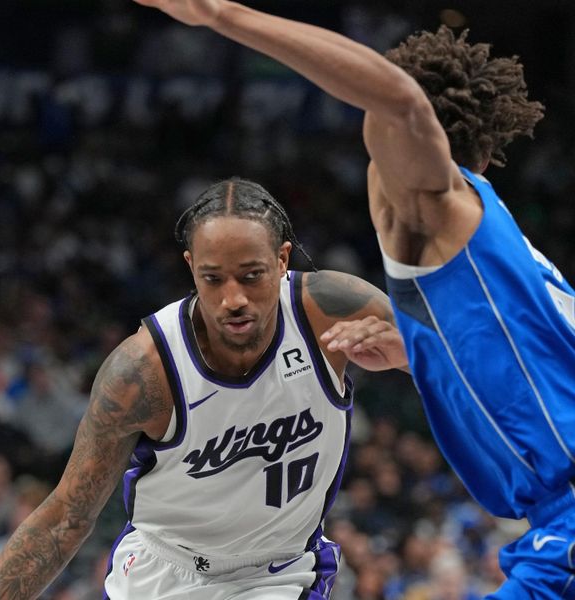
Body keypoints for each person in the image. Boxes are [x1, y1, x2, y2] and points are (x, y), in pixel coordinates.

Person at [132, 1, 575, 598]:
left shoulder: (431, 205)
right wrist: (420, 358)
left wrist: (219, 14)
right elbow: (526, 381)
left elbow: (397, 100)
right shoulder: (494, 252)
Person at [0, 177, 408, 599]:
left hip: (278, 575)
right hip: (161, 573)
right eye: (213, 278)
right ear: (190, 267)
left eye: (251, 275)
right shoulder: (143, 370)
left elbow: (468, 369)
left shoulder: (329, 309)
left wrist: (412, 357)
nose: (232, 298)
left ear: (282, 260)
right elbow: (67, 515)